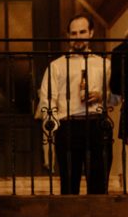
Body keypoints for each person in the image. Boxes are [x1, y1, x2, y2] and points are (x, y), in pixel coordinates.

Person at [38, 14, 118, 195]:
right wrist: (55, 126)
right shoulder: (56, 66)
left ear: (90, 33)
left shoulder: (104, 65)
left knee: (99, 185)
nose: (78, 36)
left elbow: (116, 97)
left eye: (82, 32)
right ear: (68, 36)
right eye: (73, 33)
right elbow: (47, 99)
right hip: (68, 126)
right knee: (69, 184)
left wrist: (101, 96)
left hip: (98, 125)